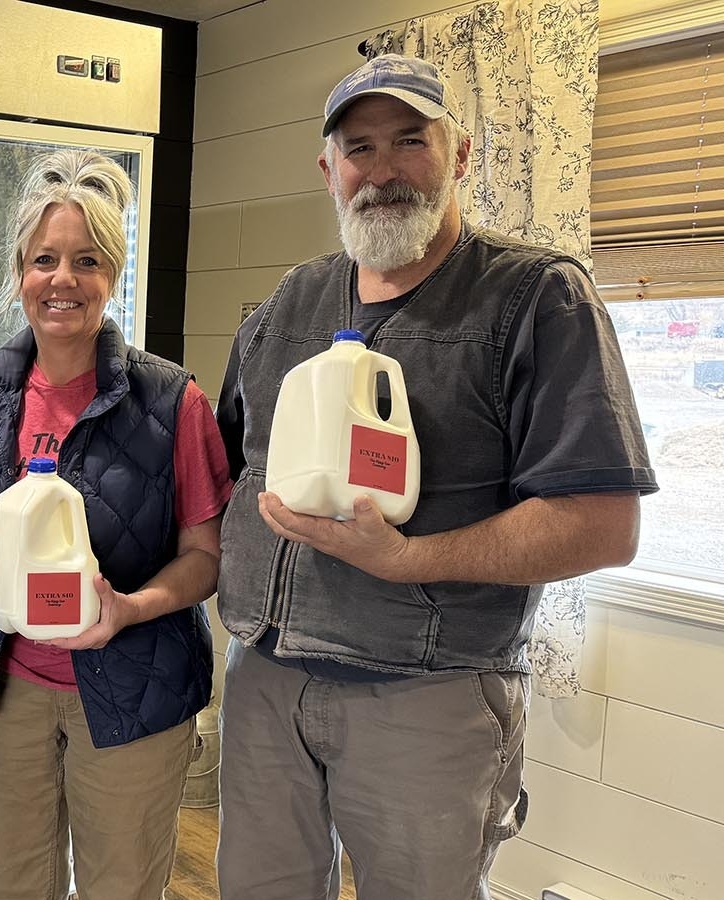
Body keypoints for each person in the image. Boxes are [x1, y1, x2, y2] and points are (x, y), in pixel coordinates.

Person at [213, 53, 658, 899]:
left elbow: (604, 521)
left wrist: (406, 559)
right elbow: (235, 469)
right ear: (329, 170)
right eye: (360, 148)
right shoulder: (291, 303)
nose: (382, 171)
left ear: (459, 154)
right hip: (266, 676)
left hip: (426, 698)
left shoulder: (534, 299)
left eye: (409, 140)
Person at [0, 148, 231, 900]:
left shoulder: (172, 401)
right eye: (44, 259)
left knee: (121, 887)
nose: (62, 280)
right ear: (19, 272)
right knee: (13, 884)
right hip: (10, 691)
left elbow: (206, 553)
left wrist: (130, 608)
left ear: (113, 275)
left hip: (133, 689)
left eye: (87, 260)